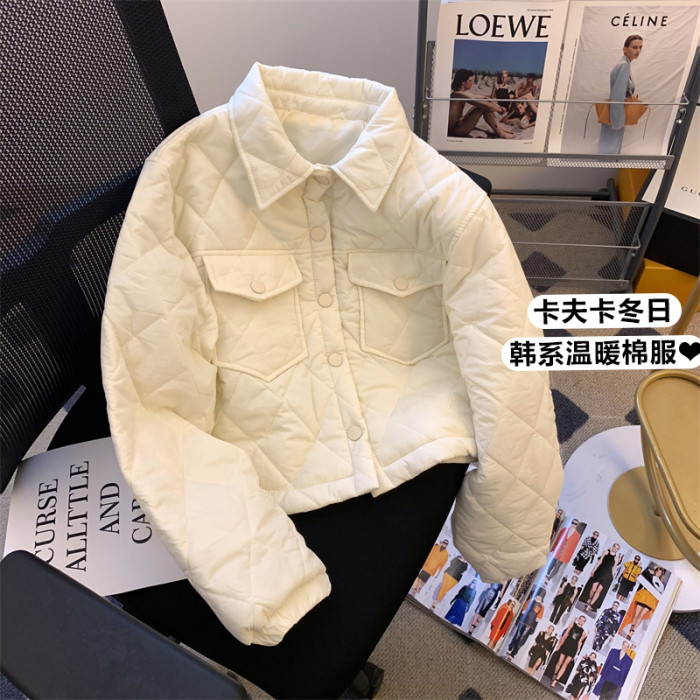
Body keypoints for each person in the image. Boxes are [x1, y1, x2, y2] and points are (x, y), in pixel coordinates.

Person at [599, 35, 643, 154]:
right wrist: (618, 121)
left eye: (640, 47)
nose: (638, 51)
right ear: (625, 49)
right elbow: (617, 95)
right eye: (634, 47)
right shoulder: (623, 66)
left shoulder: (625, 64)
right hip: (615, 115)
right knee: (610, 149)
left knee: (610, 148)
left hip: (616, 113)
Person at [448, 68, 515, 139]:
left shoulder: (460, 93)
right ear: (463, 82)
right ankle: (500, 133)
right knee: (483, 107)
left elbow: (483, 97)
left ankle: (500, 129)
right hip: (456, 130)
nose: (471, 83)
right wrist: (500, 110)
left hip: (459, 123)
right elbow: (488, 106)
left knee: (480, 104)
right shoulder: (459, 95)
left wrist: (496, 105)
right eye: (470, 81)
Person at [551, 615, 588, 688]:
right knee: (559, 662)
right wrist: (560, 644)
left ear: (584, 622)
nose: (581, 621)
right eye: (580, 619)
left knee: (565, 664)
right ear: (578, 619)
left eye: (583, 620)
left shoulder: (583, 633)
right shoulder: (572, 624)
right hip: (566, 644)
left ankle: (555, 681)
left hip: (573, 649)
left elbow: (579, 643)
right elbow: (566, 634)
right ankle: (555, 675)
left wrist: (576, 654)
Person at [584, 543, 621, 612]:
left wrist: (613, 577)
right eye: (614, 547)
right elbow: (600, 561)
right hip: (599, 572)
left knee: (598, 591)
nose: (615, 548)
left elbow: (613, 568)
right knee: (593, 589)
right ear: (612, 546)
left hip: (607, 576)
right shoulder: (606, 552)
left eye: (617, 548)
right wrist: (593, 570)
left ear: (618, 550)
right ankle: (590, 599)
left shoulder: (617, 558)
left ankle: (589, 606)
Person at [506, 594, 545, 660]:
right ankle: (510, 648)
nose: (538, 597)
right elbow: (523, 611)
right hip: (523, 621)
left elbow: (538, 619)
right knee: (517, 635)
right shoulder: (530, 600)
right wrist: (519, 620)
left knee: (522, 639)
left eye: (540, 596)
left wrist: (533, 628)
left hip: (530, 624)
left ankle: (513, 654)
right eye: (538, 595)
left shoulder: (542, 606)